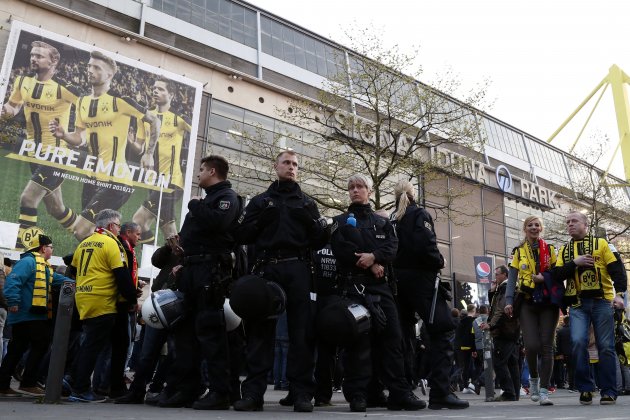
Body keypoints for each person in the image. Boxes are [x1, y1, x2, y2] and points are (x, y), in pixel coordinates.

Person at [233, 150, 329, 412]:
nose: (291, 167)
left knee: (302, 333)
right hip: (266, 267)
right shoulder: (260, 201)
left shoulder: (308, 204)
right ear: (275, 166)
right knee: (260, 332)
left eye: (295, 164)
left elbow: (321, 239)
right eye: (286, 163)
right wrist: (258, 224)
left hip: (298, 268)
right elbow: (240, 233)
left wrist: (313, 225)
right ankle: (253, 394)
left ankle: (301, 394)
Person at [329, 174, 425, 412]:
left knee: (393, 340)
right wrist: (372, 262)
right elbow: (342, 249)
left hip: (381, 290)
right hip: (353, 288)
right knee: (359, 343)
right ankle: (359, 395)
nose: (355, 190)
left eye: (360, 187)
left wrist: (376, 256)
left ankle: (399, 393)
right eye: (351, 187)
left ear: (369, 192)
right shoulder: (339, 221)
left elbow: (392, 247)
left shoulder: (382, 223)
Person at [152, 155, 241, 409]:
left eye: (201, 170)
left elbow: (218, 223)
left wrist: (195, 205)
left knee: (210, 332)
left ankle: (220, 392)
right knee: (185, 334)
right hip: (192, 270)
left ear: (212, 171)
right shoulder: (209, 200)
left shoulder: (226, 198)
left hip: (210, 273)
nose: (198, 174)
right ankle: (185, 389)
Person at [49, 50, 161, 241]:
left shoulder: (121, 101)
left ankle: (120, 255)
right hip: (92, 177)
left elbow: (155, 121)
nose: (90, 70)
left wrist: (149, 153)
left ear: (109, 74)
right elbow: (79, 137)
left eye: (96, 67)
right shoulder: (83, 101)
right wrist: (64, 135)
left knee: (81, 230)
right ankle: (112, 261)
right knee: (89, 236)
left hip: (117, 180)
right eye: (89, 66)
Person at [391, 179, 469, 410]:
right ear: (413, 194)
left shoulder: (392, 219)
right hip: (422, 281)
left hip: (397, 281)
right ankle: (440, 392)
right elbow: (426, 246)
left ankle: (403, 392)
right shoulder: (419, 215)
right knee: (443, 331)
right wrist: (440, 260)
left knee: (403, 336)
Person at [1, 41, 79, 249]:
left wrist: (78, 133)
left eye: (39, 56)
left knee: (28, 198)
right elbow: (13, 106)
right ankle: (88, 236)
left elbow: (88, 107)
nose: (33, 58)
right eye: (32, 55)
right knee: (56, 209)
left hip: (56, 155)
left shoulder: (64, 88)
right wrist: (4, 111)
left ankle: (22, 251)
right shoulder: (22, 81)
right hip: (34, 154)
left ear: (53, 62)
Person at [550, 211, 627, 405]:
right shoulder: (565, 250)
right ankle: (585, 388)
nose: (570, 224)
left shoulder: (602, 244)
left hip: (603, 302)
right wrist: (574, 263)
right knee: (577, 342)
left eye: (574, 221)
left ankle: (609, 391)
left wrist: (620, 294)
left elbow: (617, 269)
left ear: (586, 224)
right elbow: (557, 275)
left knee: (606, 347)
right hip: (577, 304)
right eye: (567, 222)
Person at [67, 209, 138, 402]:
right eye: (117, 225)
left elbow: (71, 269)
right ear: (110, 226)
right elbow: (121, 274)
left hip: (83, 298)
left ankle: (73, 379)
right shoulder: (111, 243)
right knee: (92, 345)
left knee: (90, 342)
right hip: (103, 300)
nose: (118, 229)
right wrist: (132, 298)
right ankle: (79, 387)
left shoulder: (85, 242)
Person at [0, 234, 71, 396]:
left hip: (31, 316)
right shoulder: (29, 262)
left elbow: (56, 279)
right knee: (40, 344)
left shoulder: (42, 266)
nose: (52, 250)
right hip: (27, 315)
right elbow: (13, 281)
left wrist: (77, 283)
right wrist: (13, 302)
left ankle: (4, 385)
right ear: (43, 248)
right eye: (51, 247)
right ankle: (28, 383)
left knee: (17, 348)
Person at [504, 216, 558, 405]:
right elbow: (512, 279)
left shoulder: (550, 250)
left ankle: (544, 390)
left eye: (537, 225)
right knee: (532, 345)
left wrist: (545, 278)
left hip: (548, 302)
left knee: (547, 346)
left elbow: (557, 274)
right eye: (530, 225)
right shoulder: (518, 252)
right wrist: (508, 301)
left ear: (541, 228)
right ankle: (533, 380)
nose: (534, 228)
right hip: (527, 302)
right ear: (525, 229)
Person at [133, 77, 191, 245]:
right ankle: (176, 261)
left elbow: (197, 134)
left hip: (171, 182)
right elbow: (140, 147)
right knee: (169, 230)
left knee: (138, 220)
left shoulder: (179, 119)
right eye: (154, 88)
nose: (155, 91)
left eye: (160, 89)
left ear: (171, 94)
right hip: (153, 182)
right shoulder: (146, 117)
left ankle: (151, 258)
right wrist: (132, 143)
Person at [481, 265, 521, 401]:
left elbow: (500, 310)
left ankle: (509, 393)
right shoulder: (506, 288)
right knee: (512, 363)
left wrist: (490, 325)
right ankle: (514, 392)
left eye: (497, 274)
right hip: (512, 330)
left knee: (499, 362)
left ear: (505, 275)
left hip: (504, 331)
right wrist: (492, 292)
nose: (495, 277)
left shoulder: (505, 289)